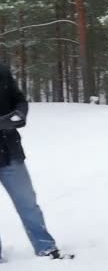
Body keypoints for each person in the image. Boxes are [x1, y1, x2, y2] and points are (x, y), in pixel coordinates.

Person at [0, 64, 73, 260]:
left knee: (28, 204)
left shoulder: (2, 70)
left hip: (10, 153)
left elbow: (19, 99)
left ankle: (46, 248)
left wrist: (20, 114)